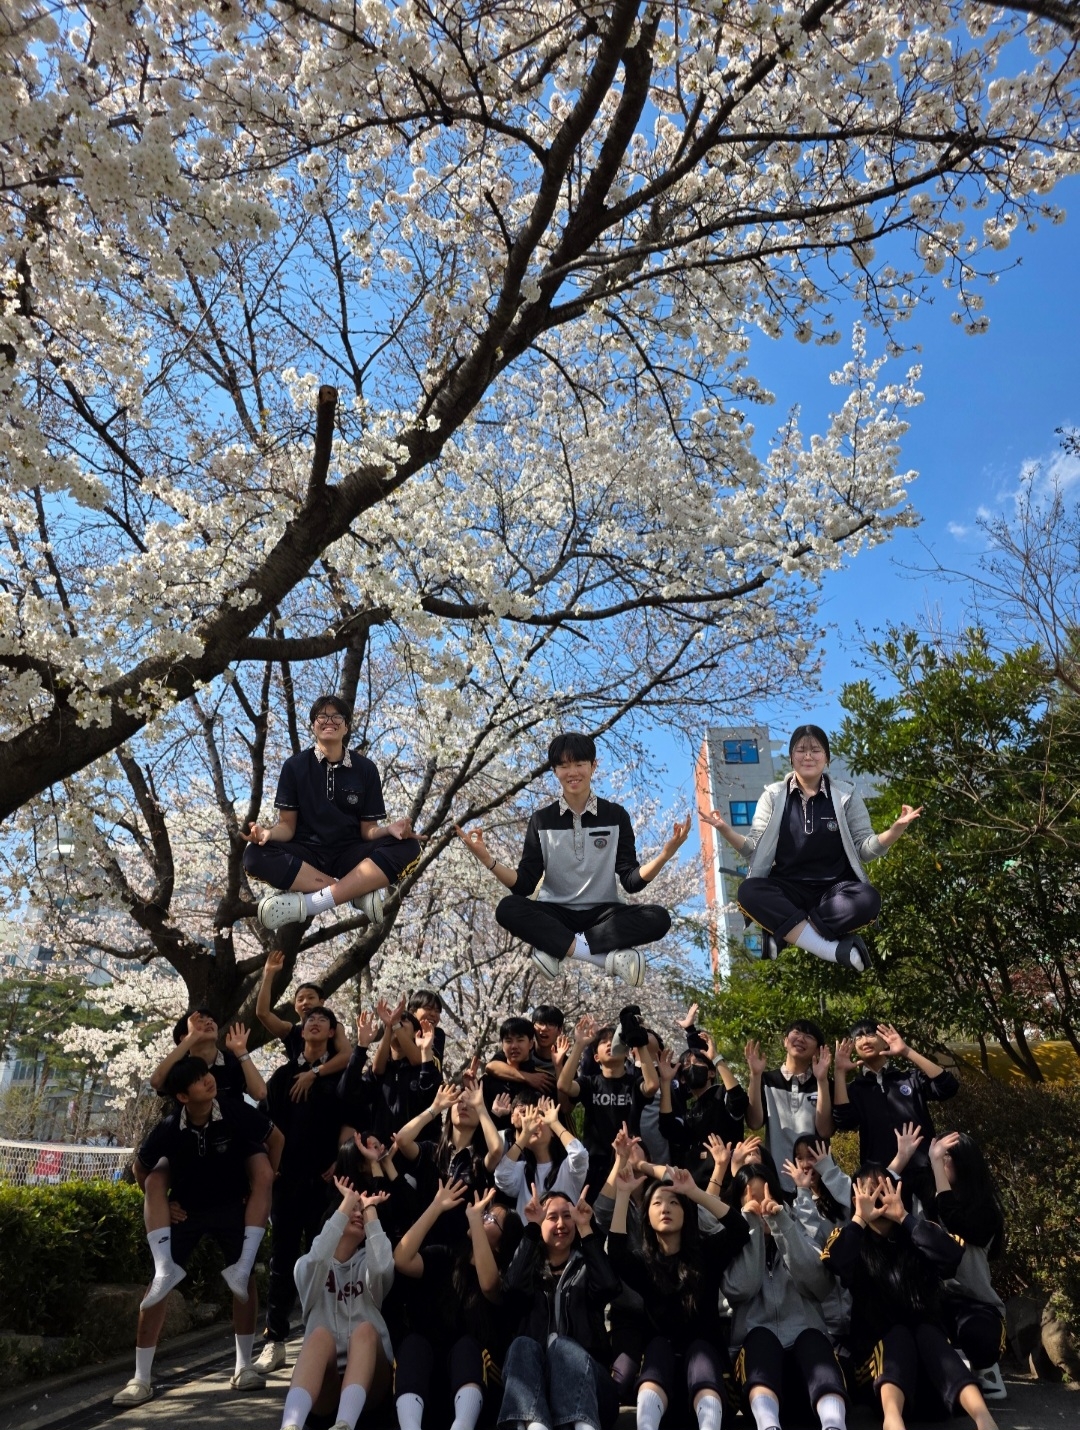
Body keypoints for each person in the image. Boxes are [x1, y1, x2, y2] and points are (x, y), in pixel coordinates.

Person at [456, 731, 690, 987]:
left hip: (604, 916)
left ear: (593, 766)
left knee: (659, 918)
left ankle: (557, 946)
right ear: (555, 771)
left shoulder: (616, 816)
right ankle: (602, 958)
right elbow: (524, 884)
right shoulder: (541, 820)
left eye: (579, 764)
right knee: (507, 908)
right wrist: (487, 860)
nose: (572, 772)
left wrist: (665, 855)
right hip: (555, 913)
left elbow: (631, 880)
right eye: (564, 766)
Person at [113, 1057, 281, 1408]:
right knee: (158, 1286)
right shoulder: (169, 1127)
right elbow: (141, 1169)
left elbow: (276, 1139)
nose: (208, 1080)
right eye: (198, 1079)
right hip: (187, 1210)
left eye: (207, 1074)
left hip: (232, 1206)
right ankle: (140, 1378)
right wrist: (165, 1203)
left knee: (244, 1280)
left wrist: (261, 1186)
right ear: (182, 1097)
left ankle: (243, 1366)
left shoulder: (233, 1111)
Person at [701, 724, 922, 972]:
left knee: (869, 899)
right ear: (791, 757)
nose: (808, 756)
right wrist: (724, 829)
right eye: (801, 750)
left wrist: (894, 831)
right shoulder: (773, 796)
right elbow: (752, 849)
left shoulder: (847, 795)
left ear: (827, 757)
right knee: (749, 892)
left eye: (815, 750)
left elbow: (865, 850)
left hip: (834, 893)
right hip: (787, 890)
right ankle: (833, 950)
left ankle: (785, 931)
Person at [821, 1167, 999, 1430]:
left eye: (884, 1191)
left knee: (927, 1332)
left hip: (934, 1385)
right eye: (870, 1193)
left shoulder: (919, 1233)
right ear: (856, 1199)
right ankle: (893, 1421)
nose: (879, 1200)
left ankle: (984, 1420)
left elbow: (952, 1255)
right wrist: (859, 1219)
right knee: (898, 1335)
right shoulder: (850, 1238)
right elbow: (836, 1261)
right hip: (877, 1376)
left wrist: (904, 1217)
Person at [242, 693, 422, 931]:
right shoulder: (294, 767)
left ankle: (311, 904)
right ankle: (354, 892)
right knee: (254, 855)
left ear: (346, 726)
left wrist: (389, 829)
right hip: (307, 857)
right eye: (322, 716)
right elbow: (287, 826)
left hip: (352, 856)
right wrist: (269, 834)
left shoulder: (365, 769)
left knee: (409, 847)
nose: (329, 721)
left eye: (337, 716)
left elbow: (368, 831)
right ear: (313, 725)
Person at [608, 1164, 749, 1430]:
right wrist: (623, 1194)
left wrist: (695, 1193)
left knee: (700, 1349)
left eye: (674, 1202)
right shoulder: (644, 1264)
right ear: (647, 1217)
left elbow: (740, 1230)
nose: (666, 1208)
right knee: (658, 1346)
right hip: (662, 1395)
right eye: (657, 1203)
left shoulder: (706, 1254)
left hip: (715, 1390)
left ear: (686, 1212)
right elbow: (616, 1254)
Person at [257, 1007, 356, 1375]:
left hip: (325, 1181)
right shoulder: (283, 1075)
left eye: (322, 1020)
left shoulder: (341, 1075)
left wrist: (340, 1161)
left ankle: (322, 1337)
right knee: (282, 1260)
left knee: (323, 1259)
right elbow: (266, 1122)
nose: (313, 1023)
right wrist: (272, 1166)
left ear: (332, 1032)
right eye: (309, 1020)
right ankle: (275, 1339)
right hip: (287, 1180)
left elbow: (351, 1120)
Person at [722, 1163, 849, 1430]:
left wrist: (781, 1224)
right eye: (752, 1200)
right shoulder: (730, 1243)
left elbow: (820, 1284)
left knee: (813, 1338)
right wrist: (752, 1231)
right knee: (760, 1338)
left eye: (766, 1196)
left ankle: (835, 1424)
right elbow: (741, 1289)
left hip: (808, 1382)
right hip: (758, 1383)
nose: (761, 1206)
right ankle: (768, 1426)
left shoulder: (797, 1228)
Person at [498, 1187, 623, 1430]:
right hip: (538, 1390)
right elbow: (510, 1290)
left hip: (591, 1386)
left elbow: (609, 1286)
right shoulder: (529, 1271)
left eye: (567, 1216)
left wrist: (586, 1229)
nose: (561, 1224)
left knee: (563, 1347)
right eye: (552, 1217)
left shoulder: (587, 1265)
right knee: (521, 1345)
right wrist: (531, 1229)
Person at [277, 1178, 395, 1430]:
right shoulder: (307, 1267)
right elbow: (317, 1257)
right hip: (325, 1387)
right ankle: (290, 1425)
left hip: (372, 1387)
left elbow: (382, 1267)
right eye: (352, 1210)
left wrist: (370, 1209)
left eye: (361, 1211)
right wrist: (347, 1202)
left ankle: (345, 1424)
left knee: (365, 1330)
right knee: (319, 1335)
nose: (358, 1214)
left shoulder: (368, 1264)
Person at [393, 1181, 509, 1430]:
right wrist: (436, 1206)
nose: (482, 1215)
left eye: (491, 1218)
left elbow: (489, 1284)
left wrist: (474, 1220)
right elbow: (401, 1259)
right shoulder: (447, 1257)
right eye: (484, 1214)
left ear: (502, 1243)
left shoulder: (503, 1278)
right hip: (429, 1385)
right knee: (413, 1343)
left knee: (466, 1347)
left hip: (477, 1387)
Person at [832, 1021, 959, 1208]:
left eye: (870, 1034)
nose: (864, 1040)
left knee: (936, 1222)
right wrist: (839, 1072)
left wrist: (907, 1051)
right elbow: (844, 1121)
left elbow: (948, 1087)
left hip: (926, 1173)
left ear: (885, 1042)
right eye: (858, 1037)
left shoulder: (910, 1078)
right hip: (882, 1179)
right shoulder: (854, 1090)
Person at [926, 1132, 1008, 1400]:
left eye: (944, 1156)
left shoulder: (986, 1211)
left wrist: (936, 1167)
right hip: (937, 1302)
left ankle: (986, 1367)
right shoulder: (930, 1202)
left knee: (977, 1334)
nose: (937, 1161)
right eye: (935, 1156)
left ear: (964, 1161)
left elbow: (956, 1221)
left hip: (978, 1305)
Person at [558, 1012, 660, 1201]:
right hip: (595, 1164)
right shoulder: (590, 1083)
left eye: (613, 1041)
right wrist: (579, 1044)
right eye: (603, 1041)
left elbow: (652, 1085)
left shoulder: (634, 1083)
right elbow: (564, 1085)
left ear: (626, 1052)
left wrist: (639, 1043)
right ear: (596, 1057)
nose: (608, 1044)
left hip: (630, 1160)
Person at [744, 1021, 833, 1191]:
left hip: (816, 1181)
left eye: (809, 1036)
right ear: (785, 1041)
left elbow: (825, 1131)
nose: (801, 1039)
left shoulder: (825, 1083)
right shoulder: (766, 1080)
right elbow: (754, 1123)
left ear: (817, 1050)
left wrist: (822, 1081)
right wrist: (755, 1076)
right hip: (776, 1179)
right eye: (796, 1033)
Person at [256, 951, 353, 1091]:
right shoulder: (290, 1031)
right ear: (295, 1007)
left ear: (321, 1002)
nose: (305, 1002)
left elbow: (347, 1055)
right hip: (296, 1091)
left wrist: (314, 1073)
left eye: (311, 998)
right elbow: (262, 1013)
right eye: (300, 1000)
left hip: (331, 1091)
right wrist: (269, 974)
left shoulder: (334, 1027)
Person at [494, 1096, 589, 1222]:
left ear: (553, 1132)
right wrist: (524, 1135)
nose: (534, 1125)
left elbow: (579, 1154)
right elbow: (501, 1176)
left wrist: (554, 1123)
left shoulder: (567, 1168)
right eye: (530, 1123)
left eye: (540, 1118)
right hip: (529, 1235)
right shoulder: (522, 1170)